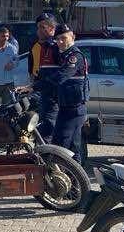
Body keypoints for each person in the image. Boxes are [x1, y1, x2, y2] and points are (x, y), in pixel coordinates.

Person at [46, 24, 89, 163]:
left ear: (73, 37)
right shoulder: (64, 55)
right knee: (73, 148)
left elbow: (60, 77)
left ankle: (68, 175)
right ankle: (75, 175)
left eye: (63, 38)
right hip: (66, 108)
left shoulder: (75, 57)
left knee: (62, 147)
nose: (60, 42)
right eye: (57, 39)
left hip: (74, 109)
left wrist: (34, 87)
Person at [29, 13, 60, 138]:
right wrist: (32, 86)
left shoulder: (57, 46)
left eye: (43, 27)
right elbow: (32, 69)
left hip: (54, 95)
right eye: (38, 27)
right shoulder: (35, 45)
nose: (39, 31)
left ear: (52, 28)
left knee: (49, 127)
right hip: (40, 90)